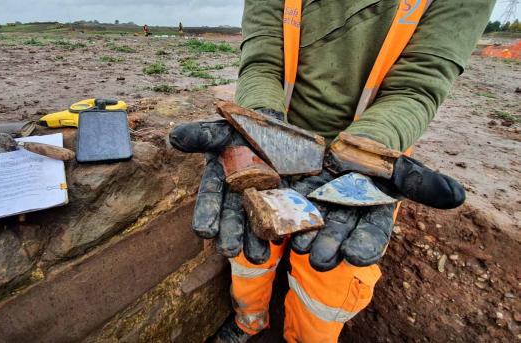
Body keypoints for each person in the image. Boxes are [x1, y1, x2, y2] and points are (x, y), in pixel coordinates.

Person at [169, 0, 495, 342]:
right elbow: (262, 62)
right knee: (250, 244)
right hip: (275, 142)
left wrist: (364, 150)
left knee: (328, 275)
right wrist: (259, 128)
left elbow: (416, 87)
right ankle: (249, 322)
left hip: (368, 153)